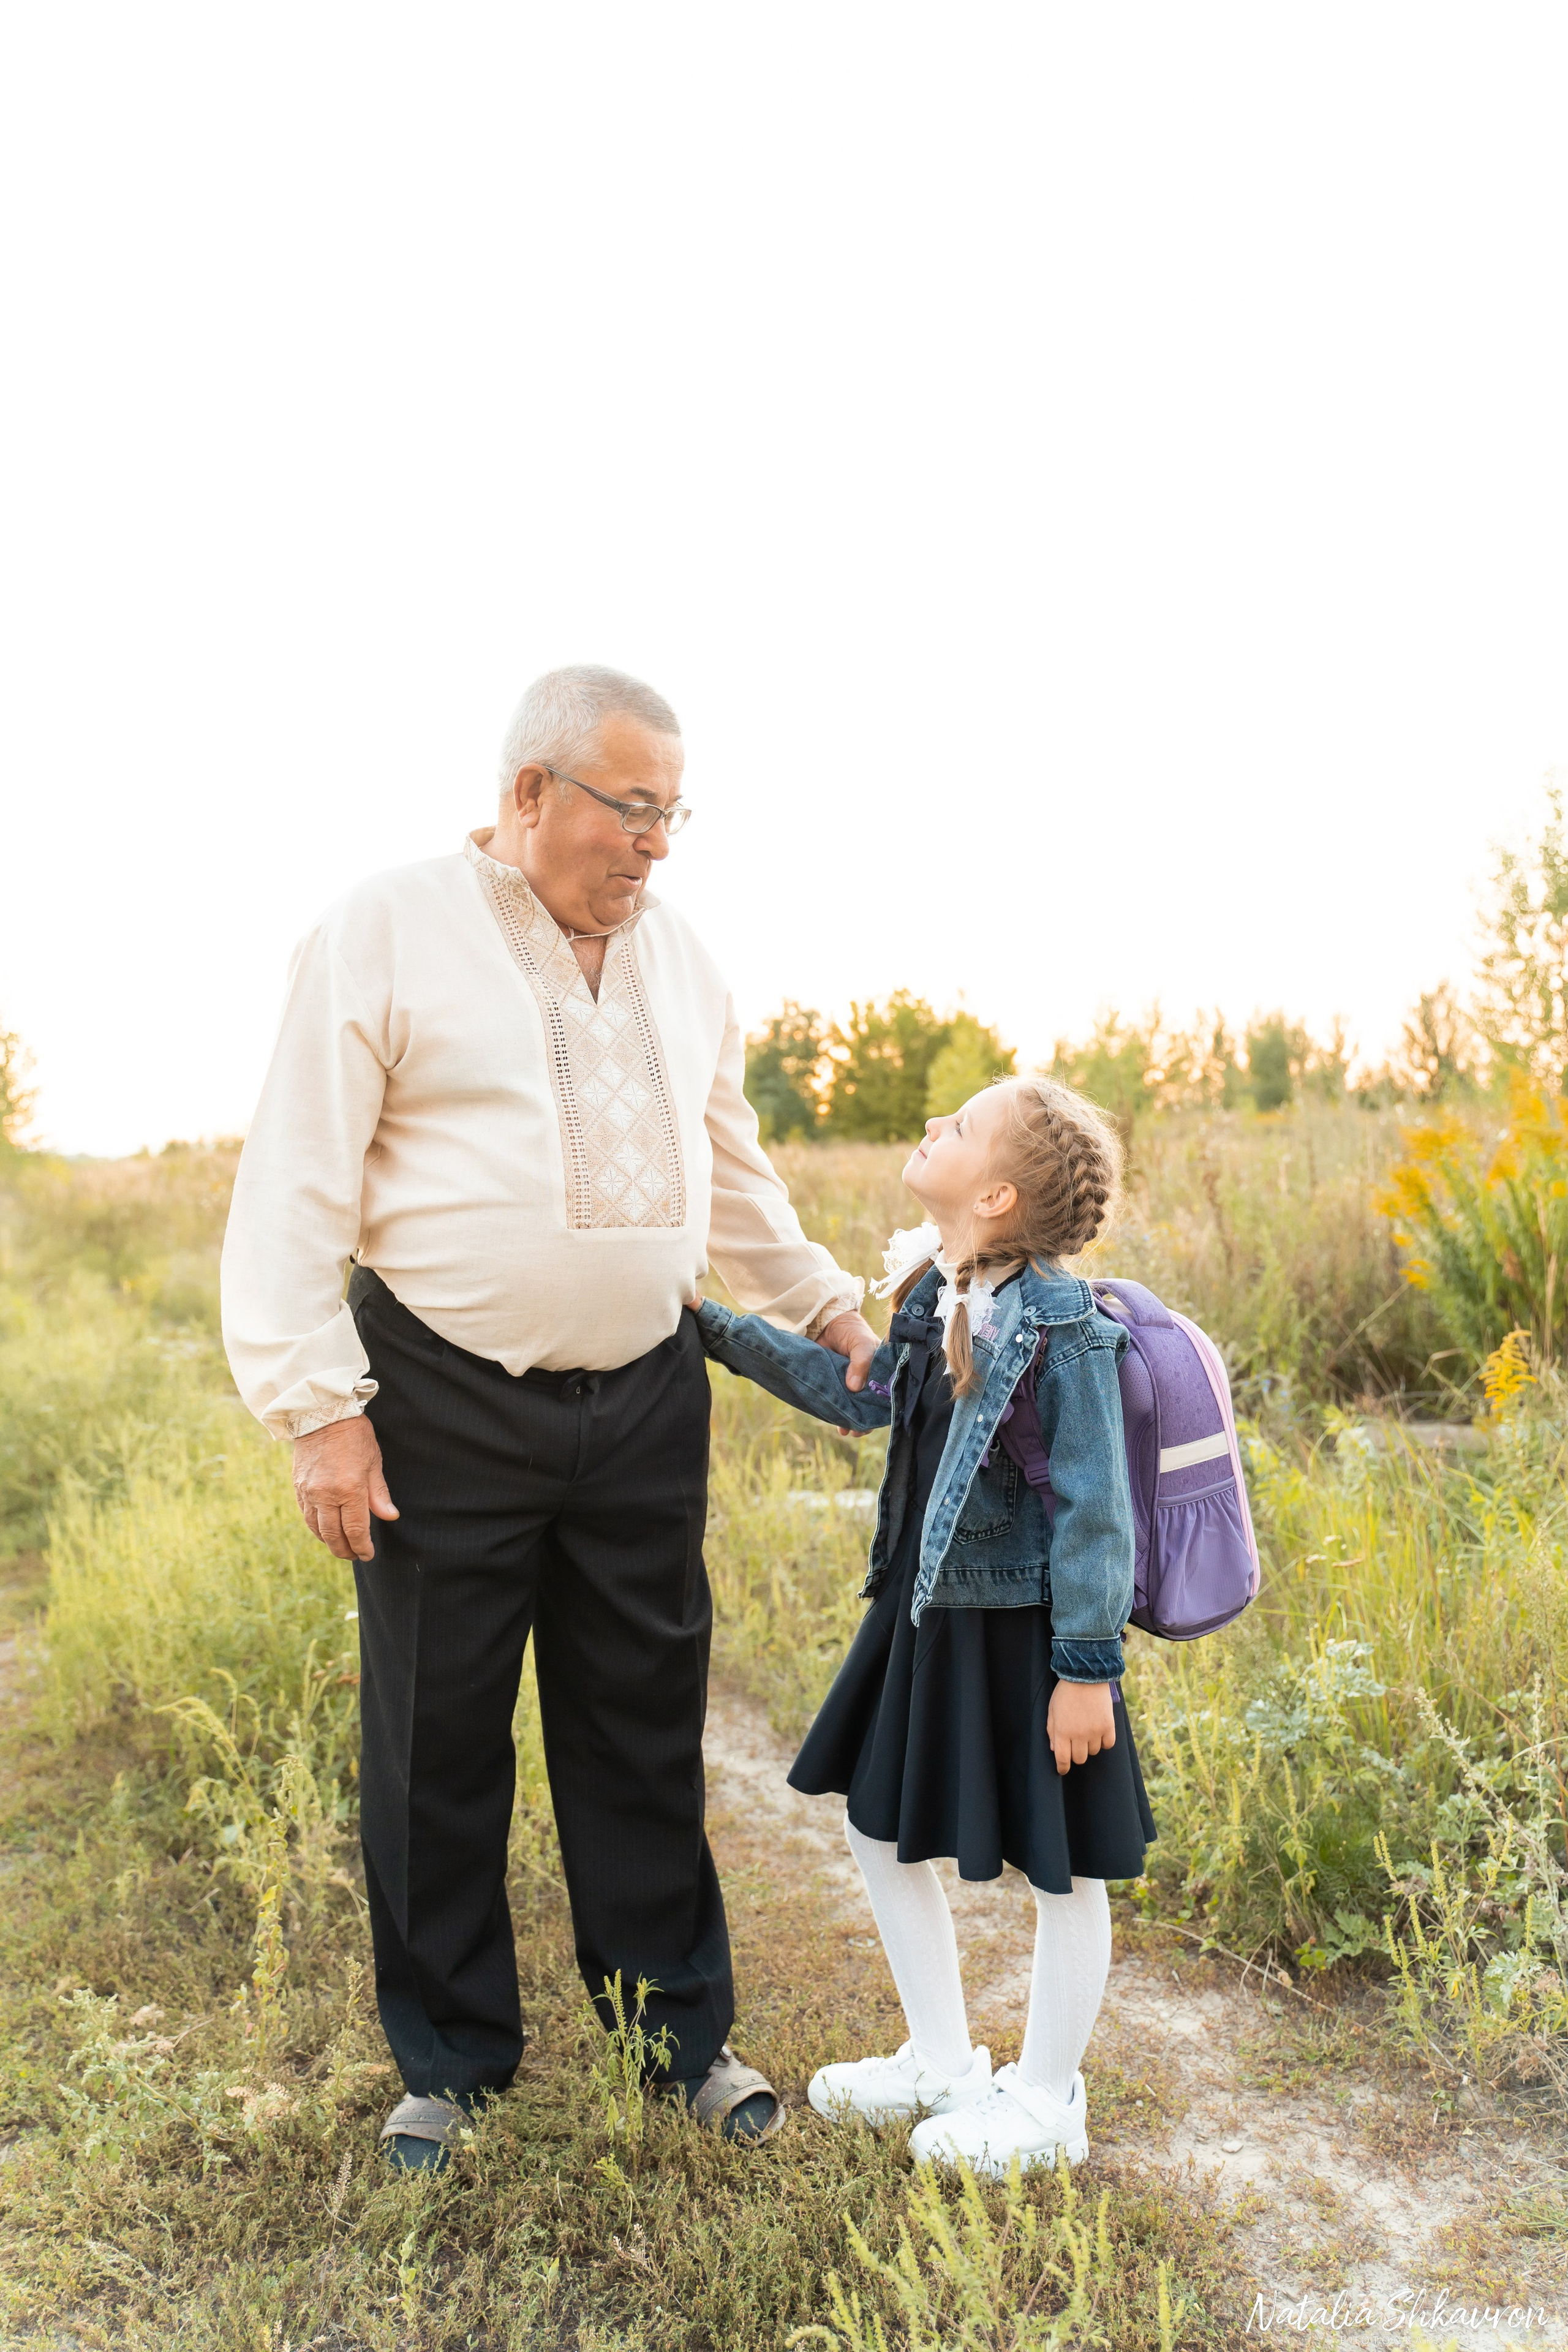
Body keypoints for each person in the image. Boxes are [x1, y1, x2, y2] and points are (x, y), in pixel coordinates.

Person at [221, 664, 878, 2168]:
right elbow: (293, 1184)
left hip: (645, 1396)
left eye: (674, 816)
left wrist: (833, 1311)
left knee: (641, 1724)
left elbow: (733, 1169)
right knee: (436, 1735)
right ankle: (451, 2065)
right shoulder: (382, 928)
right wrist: (320, 1411)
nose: (655, 846)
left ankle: (675, 2039)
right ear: (530, 792)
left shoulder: (681, 956)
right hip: (438, 1397)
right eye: (632, 809)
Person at [690, 1074, 1155, 2176]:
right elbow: (862, 1396)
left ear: (994, 1195)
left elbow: (1097, 1512)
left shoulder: (1063, 1327)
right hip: (926, 1611)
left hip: (1028, 1630)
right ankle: (944, 2061)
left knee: (1065, 1866)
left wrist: (1086, 1669)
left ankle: (1046, 2102)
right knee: (875, 1821)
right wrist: (709, 1328)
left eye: (962, 1125)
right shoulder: (932, 1295)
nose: (934, 1124)